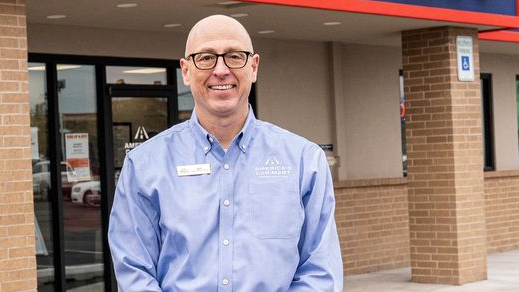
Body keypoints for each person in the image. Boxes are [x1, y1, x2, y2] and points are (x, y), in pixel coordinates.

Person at [108, 15, 343, 291]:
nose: (221, 70)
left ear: (253, 67)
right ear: (185, 71)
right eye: (206, 57)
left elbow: (320, 272)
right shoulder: (145, 165)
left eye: (234, 56)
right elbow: (134, 270)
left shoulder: (305, 161)